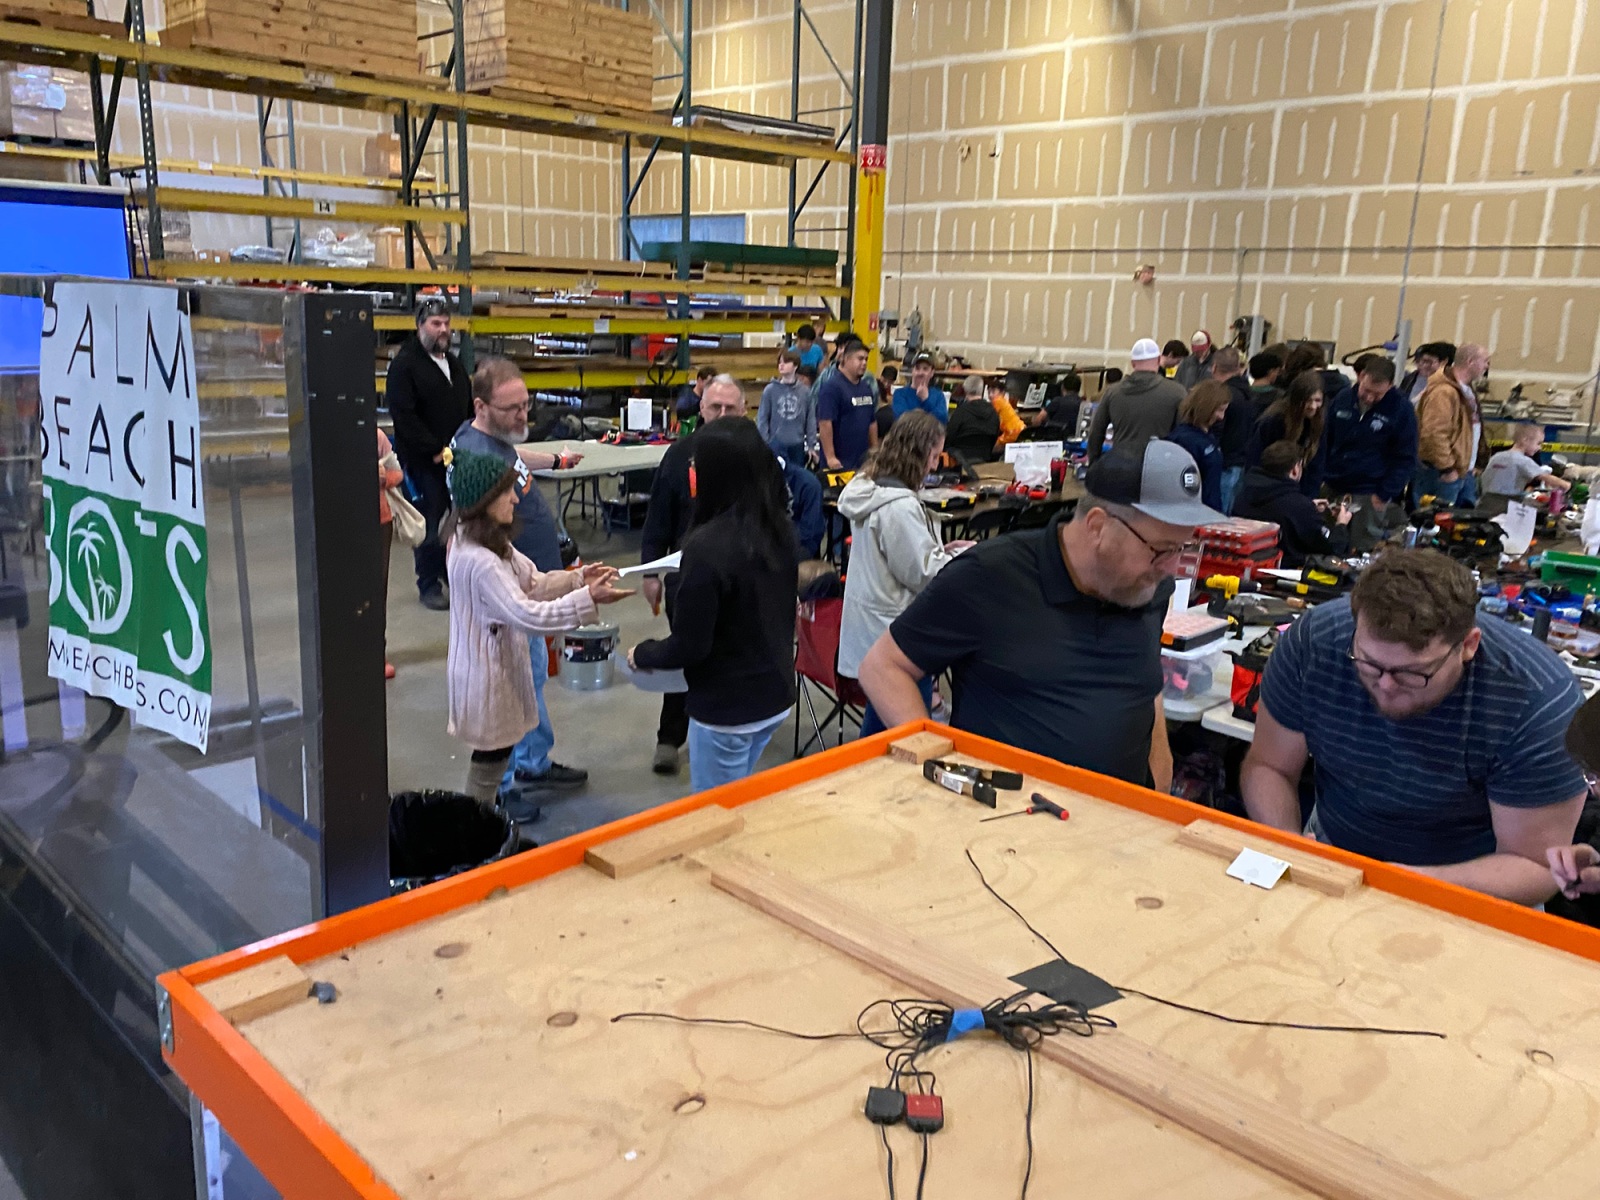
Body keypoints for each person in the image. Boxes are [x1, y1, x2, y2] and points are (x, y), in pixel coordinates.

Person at [858, 440, 1223, 788]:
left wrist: (1159, 777)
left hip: (1122, 821)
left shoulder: (1149, 588)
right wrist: (940, 768)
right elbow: (883, 667)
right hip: (1007, 821)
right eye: (1160, 549)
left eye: (1183, 547)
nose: (1171, 567)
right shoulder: (992, 575)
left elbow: (1143, 684)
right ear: (1097, 526)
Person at [1241, 548, 1586, 905]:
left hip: (1472, 887)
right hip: (1333, 849)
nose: (1386, 685)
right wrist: (1287, 842)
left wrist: (1395, 883)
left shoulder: (1537, 701)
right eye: (1369, 663)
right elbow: (1270, 767)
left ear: (1468, 646)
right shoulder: (1313, 644)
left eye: (1412, 673)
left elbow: (1534, 865)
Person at [442, 447, 630, 806]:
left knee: (495, 759)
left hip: (494, 672)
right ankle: (478, 826)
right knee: (488, 768)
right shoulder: (480, 560)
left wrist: (577, 579)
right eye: (506, 493)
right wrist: (587, 600)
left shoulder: (488, 542)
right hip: (486, 679)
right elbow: (527, 614)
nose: (516, 499)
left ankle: (484, 818)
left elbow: (533, 582)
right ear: (484, 501)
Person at [629, 419, 799, 793]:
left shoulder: (706, 549)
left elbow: (690, 645)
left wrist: (642, 653)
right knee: (739, 793)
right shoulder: (778, 530)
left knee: (715, 810)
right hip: (774, 696)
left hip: (728, 711)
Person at [451, 357, 592, 808]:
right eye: (512, 408)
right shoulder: (475, 457)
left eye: (526, 405)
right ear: (481, 406)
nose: (523, 416)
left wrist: (554, 459)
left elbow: (515, 456)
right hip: (510, 597)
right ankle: (504, 788)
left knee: (530, 682)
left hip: (529, 577)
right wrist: (584, 597)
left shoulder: (494, 441)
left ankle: (532, 761)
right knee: (512, 693)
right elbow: (525, 613)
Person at [639, 375, 749, 775]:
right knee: (685, 653)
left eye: (730, 408)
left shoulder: (755, 456)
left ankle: (730, 728)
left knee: (732, 656)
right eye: (715, 407)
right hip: (686, 578)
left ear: (744, 410)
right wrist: (651, 571)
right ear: (701, 409)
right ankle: (670, 738)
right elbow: (658, 516)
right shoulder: (680, 455)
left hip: (741, 578)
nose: (722, 414)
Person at [836, 412, 970, 735]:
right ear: (918, 453)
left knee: (882, 722)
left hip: (873, 626)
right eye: (934, 456)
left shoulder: (870, 487)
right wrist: (963, 557)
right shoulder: (899, 507)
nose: (935, 466)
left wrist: (941, 549)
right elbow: (925, 574)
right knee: (905, 729)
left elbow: (896, 557)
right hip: (897, 635)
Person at [386, 297, 472, 611]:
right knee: (429, 522)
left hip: (455, 458)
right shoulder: (405, 366)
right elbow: (404, 416)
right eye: (436, 324)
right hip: (423, 462)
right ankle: (428, 583)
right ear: (420, 326)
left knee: (457, 519)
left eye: (446, 324)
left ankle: (450, 572)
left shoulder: (453, 364)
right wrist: (434, 450)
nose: (443, 329)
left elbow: (466, 406)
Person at [1321, 358, 1416, 551]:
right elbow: (1325, 441)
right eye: (1366, 391)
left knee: (1363, 547)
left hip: (1370, 492)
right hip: (1333, 486)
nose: (1370, 398)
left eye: (1377, 394)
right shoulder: (1343, 399)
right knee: (1327, 542)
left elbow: (1405, 457)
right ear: (1361, 376)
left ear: (1390, 386)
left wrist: (1384, 494)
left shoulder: (1401, 410)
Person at [1234, 440, 1352, 566]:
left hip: (1243, 566)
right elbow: (1331, 551)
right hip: (1287, 570)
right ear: (1295, 469)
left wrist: (1308, 506)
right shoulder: (1300, 507)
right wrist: (1341, 525)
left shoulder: (1242, 495)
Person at [1086, 338, 1186, 462]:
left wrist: (1094, 463)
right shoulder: (1177, 392)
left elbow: (1096, 432)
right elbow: (1184, 434)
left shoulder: (1112, 392)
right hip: (1159, 465)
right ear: (1158, 360)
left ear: (1133, 363)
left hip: (1121, 464)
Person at [1415, 343, 1490, 507]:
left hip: (1464, 472)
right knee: (1436, 520)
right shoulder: (1443, 392)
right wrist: (1447, 469)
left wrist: (1476, 463)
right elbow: (1433, 434)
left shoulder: (1466, 391)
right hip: (1443, 475)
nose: (1487, 366)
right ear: (1470, 361)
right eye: (1485, 361)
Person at [1250, 369, 1326, 492]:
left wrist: (1309, 496)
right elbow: (1256, 457)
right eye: (1308, 400)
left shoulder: (1318, 421)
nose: (1313, 406)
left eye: (1317, 400)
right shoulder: (1274, 420)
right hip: (1271, 485)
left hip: (1300, 487)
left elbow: (1317, 464)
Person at [816, 336, 879, 471]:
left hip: (862, 463)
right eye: (860, 359)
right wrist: (831, 457)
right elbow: (825, 423)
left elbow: (872, 422)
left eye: (866, 359)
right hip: (839, 464)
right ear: (845, 359)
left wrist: (874, 451)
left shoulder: (866, 388)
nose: (864, 363)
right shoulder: (831, 388)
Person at [1165, 381, 1229, 512]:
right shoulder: (1186, 440)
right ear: (1206, 408)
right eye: (1219, 410)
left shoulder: (1207, 436)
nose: (1221, 417)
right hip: (1195, 511)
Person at [1480, 423, 1571, 515]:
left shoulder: (1496, 456)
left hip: (1484, 504)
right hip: (1505, 507)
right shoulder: (1522, 460)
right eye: (1538, 443)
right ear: (1525, 440)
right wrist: (1565, 484)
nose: (1539, 448)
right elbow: (1546, 477)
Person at [1210, 347, 1255, 514]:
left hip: (1224, 464)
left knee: (1217, 518)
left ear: (1214, 367)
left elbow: (1216, 431)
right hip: (1241, 463)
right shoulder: (1248, 394)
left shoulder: (1223, 395)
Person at [757, 350, 816, 465]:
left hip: (797, 445)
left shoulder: (805, 392)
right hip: (775, 445)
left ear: (795, 366)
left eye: (786, 362)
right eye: (779, 362)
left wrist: (811, 445)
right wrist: (766, 442)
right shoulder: (770, 390)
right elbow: (762, 418)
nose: (781, 365)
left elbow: (810, 420)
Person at [376, 428, 403, 680]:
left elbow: (397, 472)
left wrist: (386, 478)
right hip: (345, 523)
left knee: (378, 588)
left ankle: (377, 652)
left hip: (381, 521)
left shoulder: (377, 438)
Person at [943, 374, 1001, 464]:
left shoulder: (961, 412)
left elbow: (949, 437)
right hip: (984, 461)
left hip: (959, 462)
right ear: (982, 390)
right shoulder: (994, 413)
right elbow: (994, 438)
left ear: (965, 389)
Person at [892, 353, 949, 424]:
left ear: (932, 373)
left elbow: (942, 420)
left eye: (925, 369)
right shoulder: (900, 394)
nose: (920, 373)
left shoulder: (938, 396)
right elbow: (901, 419)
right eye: (917, 368)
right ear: (912, 371)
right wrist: (929, 415)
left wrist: (926, 400)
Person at [1031, 371, 1083, 436]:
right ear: (1079, 389)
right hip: (1074, 438)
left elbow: (1039, 419)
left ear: (1062, 387)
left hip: (1055, 439)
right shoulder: (1083, 404)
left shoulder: (1057, 401)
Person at [675, 365, 716, 433]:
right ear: (700, 380)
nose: (710, 387)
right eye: (708, 383)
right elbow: (681, 415)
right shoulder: (686, 398)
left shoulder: (711, 397)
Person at [989, 378, 1025, 448]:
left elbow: (989, 419)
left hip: (1012, 432)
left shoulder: (997, 401)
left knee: (990, 447)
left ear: (1002, 393)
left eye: (993, 392)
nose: (990, 395)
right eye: (989, 392)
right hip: (1021, 430)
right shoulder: (1004, 401)